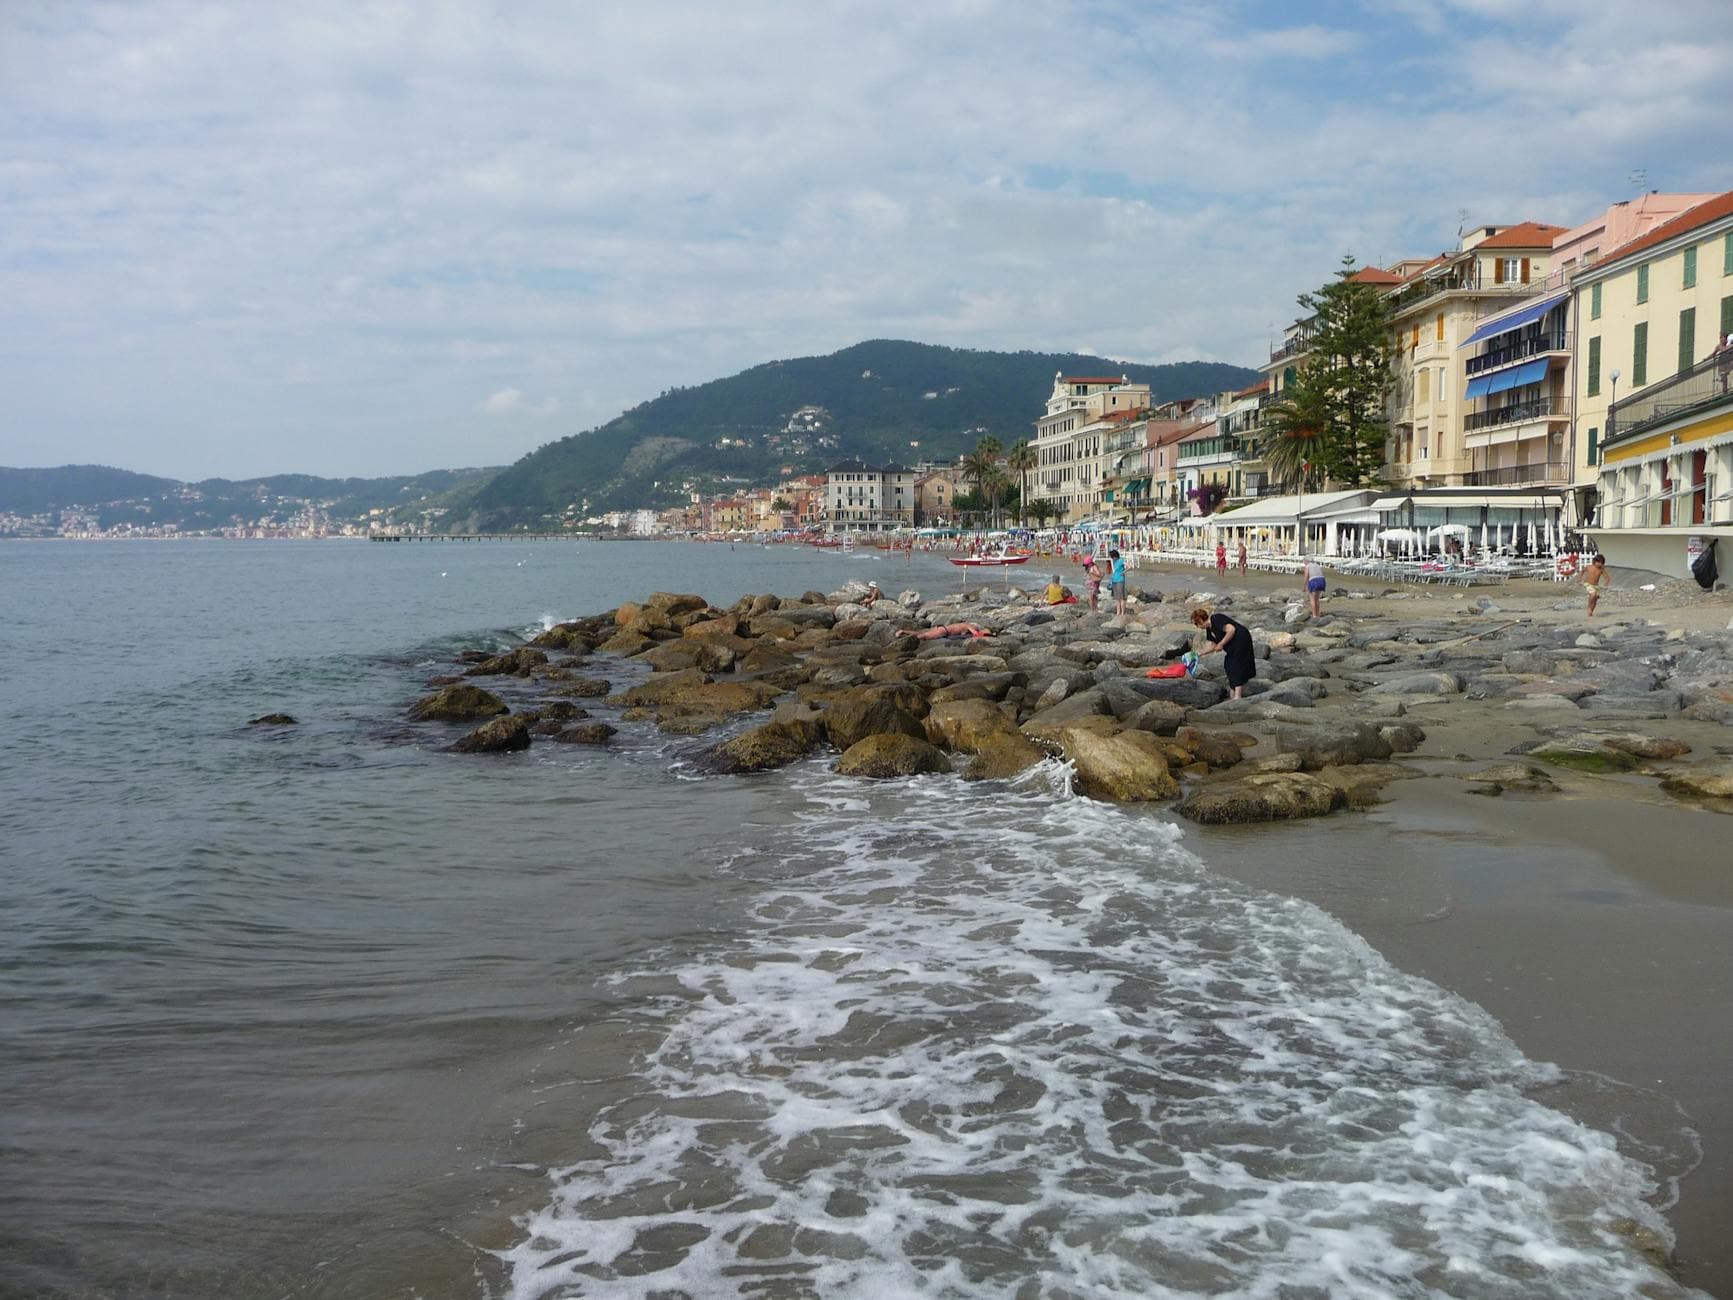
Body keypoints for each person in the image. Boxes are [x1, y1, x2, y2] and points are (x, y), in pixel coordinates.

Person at [1191, 605, 1256, 699]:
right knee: (1228, 665)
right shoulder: (1209, 630)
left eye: (1196, 624)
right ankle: (1232, 694)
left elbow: (1231, 629)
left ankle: (1237, 696)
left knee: (1236, 665)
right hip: (1232, 644)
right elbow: (1213, 645)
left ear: (1201, 620)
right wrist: (1199, 653)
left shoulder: (1216, 619)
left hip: (1241, 639)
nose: (1197, 626)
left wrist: (1221, 643)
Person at [898, 621, 992, 640]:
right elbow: (976, 634)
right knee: (924, 636)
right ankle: (905, 635)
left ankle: (904, 632)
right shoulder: (968, 626)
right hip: (944, 631)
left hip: (942, 627)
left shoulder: (963, 624)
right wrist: (986, 634)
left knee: (923, 634)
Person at [1108, 548, 1127, 616]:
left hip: (1120, 580)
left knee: (1121, 597)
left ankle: (1122, 613)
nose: (1112, 558)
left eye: (1112, 557)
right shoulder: (1114, 562)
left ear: (1115, 556)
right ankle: (1118, 612)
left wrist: (1123, 572)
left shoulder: (1121, 561)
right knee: (1116, 597)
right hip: (1114, 580)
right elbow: (1113, 572)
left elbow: (1129, 566)